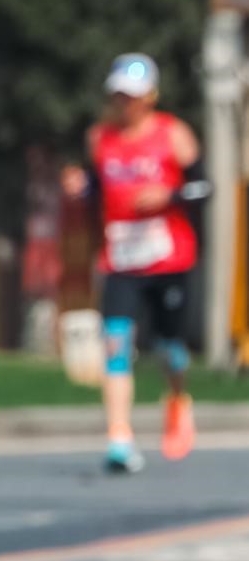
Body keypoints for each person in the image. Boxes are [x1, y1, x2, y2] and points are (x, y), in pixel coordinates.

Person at [65, 53, 201, 474]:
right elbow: (95, 185)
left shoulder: (173, 134)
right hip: (121, 260)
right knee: (116, 343)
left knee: (170, 348)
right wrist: (80, 186)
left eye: (134, 96)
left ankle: (176, 396)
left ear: (151, 97)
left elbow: (204, 188)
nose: (126, 104)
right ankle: (119, 438)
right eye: (120, 96)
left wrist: (168, 196)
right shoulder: (99, 139)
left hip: (168, 258)